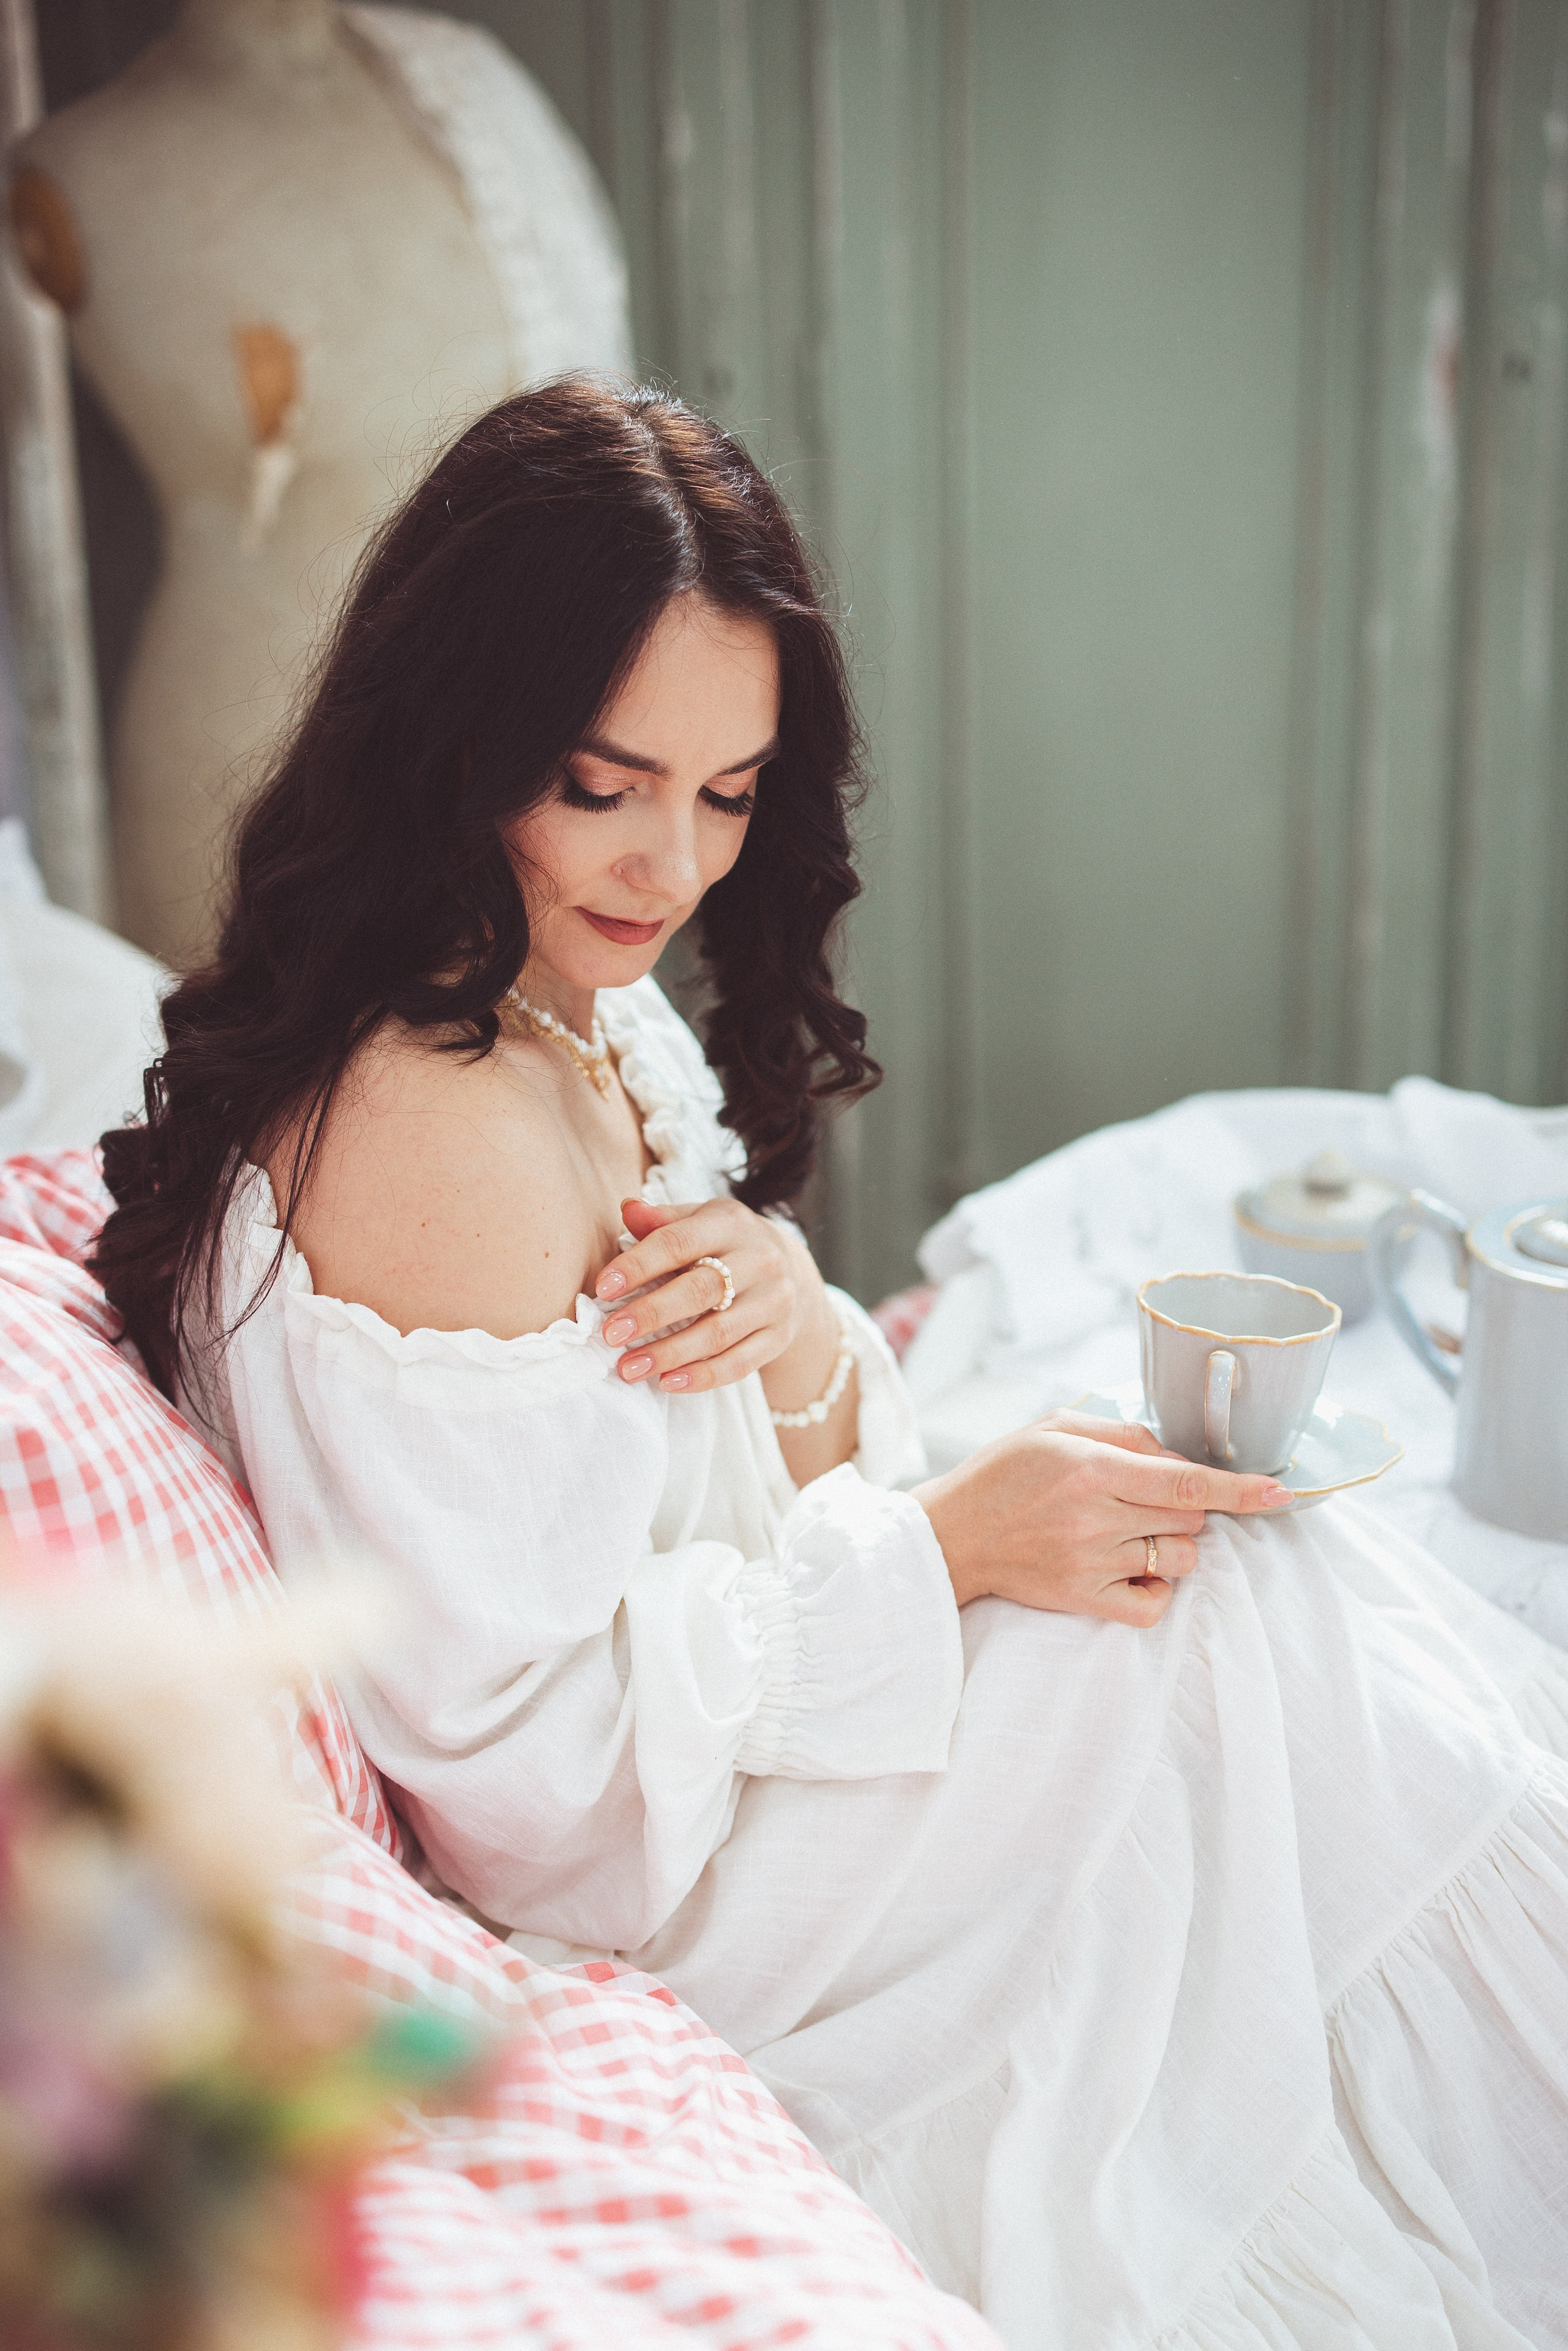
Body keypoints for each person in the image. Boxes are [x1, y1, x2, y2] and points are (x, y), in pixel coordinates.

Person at [91, 379, 1568, 2348]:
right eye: (602, 784)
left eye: (727, 793)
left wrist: (796, 1325)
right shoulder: (435, 1122)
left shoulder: (564, 1013)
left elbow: (751, 1459)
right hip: (695, 1879)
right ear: (458, 736)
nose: (669, 868)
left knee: (1237, 1558)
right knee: (1237, 1618)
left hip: (768, 1744)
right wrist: (949, 1550)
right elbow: (536, 1789)